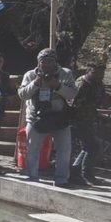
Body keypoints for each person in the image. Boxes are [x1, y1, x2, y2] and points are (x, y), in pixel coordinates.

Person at [19, 48, 78, 186]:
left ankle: (61, 179)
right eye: (43, 61)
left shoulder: (66, 73)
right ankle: (32, 177)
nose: (46, 64)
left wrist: (58, 86)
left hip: (60, 118)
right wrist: (35, 84)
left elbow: (72, 94)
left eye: (50, 61)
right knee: (33, 149)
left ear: (55, 61)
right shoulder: (29, 75)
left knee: (64, 150)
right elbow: (22, 95)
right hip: (36, 118)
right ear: (39, 62)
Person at [71, 63, 106, 185]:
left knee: (88, 147)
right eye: (96, 72)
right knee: (93, 146)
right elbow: (74, 104)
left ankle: (76, 172)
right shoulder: (82, 84)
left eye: (101, 73)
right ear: (88, 71)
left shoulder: (97, 83)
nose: (99, 75)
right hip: (78, 121)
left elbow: (101, 99)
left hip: (89, 119)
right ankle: (86, 174)